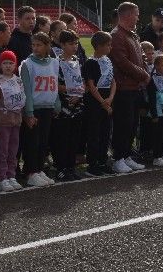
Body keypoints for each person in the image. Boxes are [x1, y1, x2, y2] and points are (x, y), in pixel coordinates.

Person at [109, 2, 150, 173]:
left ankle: (126, 156)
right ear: (126, 15)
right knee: (123, 124)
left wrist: (145, 72)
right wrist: (143, 74)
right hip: (123, 87)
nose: (138, 17)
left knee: (132, 124)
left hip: (135, 87)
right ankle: (118, 158)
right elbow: (122, 61)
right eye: (136, 14)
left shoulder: (132, 35)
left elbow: (141, 58)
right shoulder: (117, 35)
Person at [20, 32, 58, 186]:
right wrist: (28, 112)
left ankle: (39, 168)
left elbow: (54, 84)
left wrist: (57, 103)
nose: (35, 48)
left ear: (47, 46)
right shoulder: (27, 64)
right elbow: (27, 90)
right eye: (33, 45)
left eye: (39, 45)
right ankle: (30, 172)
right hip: (34, 108)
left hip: (47, 107)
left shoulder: (54, 63)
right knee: (32, 141)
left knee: (43, 141)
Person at [52, 31, 86, 181]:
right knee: (62, 138)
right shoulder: (55, 63)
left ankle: (71, 167)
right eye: (71, 43)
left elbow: (82, 81)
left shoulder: (77, 61)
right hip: (64, 105)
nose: (75, 46)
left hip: (77, 104)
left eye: (76, 43)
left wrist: (79, 93)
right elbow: (54, 84)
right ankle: (61, 167)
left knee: (74, 138)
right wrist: (69, 90)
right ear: (62, 44)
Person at [82, 32, 116, 176]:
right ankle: (92, 163)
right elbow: (91, 85)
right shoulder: (91, 62)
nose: (110, 47)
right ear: (99, 46)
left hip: (107, 98)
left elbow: (113, 81)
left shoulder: (107, 60)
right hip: (95, 101)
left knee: (105, 132)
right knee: (94, 133)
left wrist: (110, 99)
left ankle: (103, 160)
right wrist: (103, 101)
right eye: (108, 45)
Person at [0, 50, 25, 190]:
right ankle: (2, 178)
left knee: (13, 150)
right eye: (5, 63)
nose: (8, 66)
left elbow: (22, 99)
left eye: (11, 63)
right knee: (2, 150)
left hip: (16, 121)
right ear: (0, 65)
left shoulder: (18, 80)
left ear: (15, 65)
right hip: (3, 122)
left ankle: (12, 175)